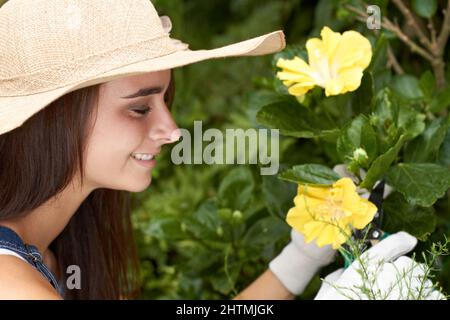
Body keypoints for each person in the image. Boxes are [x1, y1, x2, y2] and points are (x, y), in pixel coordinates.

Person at [0, 0, 442, 300]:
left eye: (164, 102)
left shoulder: (54, 247)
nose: (171, 130)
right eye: (139, 108)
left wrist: (297, 261)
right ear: (51, 119)